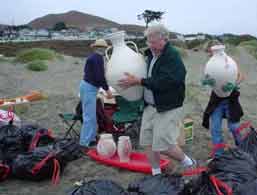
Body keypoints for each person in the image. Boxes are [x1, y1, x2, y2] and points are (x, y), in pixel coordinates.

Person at [118, 24, 195, 176]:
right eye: (148, 41)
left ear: (164, 40)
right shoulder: (150, 55)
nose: (150, 45)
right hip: (150, 106)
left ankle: (188, 162)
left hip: (167, 106)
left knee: (163, 145)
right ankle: (156, 173)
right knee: (147, 141)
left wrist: (140, 81)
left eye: (153, 42)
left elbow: (167, 81)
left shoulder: (172, 57)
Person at [202, 40, 245, 156]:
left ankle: (243, 150)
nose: (210, 55)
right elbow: (209, 78)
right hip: (216, 100)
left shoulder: (228, 61)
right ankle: (218, 154)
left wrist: (234, 84)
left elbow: (240, 75)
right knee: (215, 129)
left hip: (231, 100)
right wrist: (206, 81)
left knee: (234, 127)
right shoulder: (211, 63)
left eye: (210, 52)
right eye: (209, 53)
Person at [79, 39, 113, 149]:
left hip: (88, 86)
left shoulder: (93, 57)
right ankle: (84, 142)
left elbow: (94, 75)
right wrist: (107, 90)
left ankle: (91, 139)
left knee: (91, 115)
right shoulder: (97, 58)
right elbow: (100, 77)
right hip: (89, 88)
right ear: (102, 48)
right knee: (89, 116)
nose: (104, 50)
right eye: (104, 48)